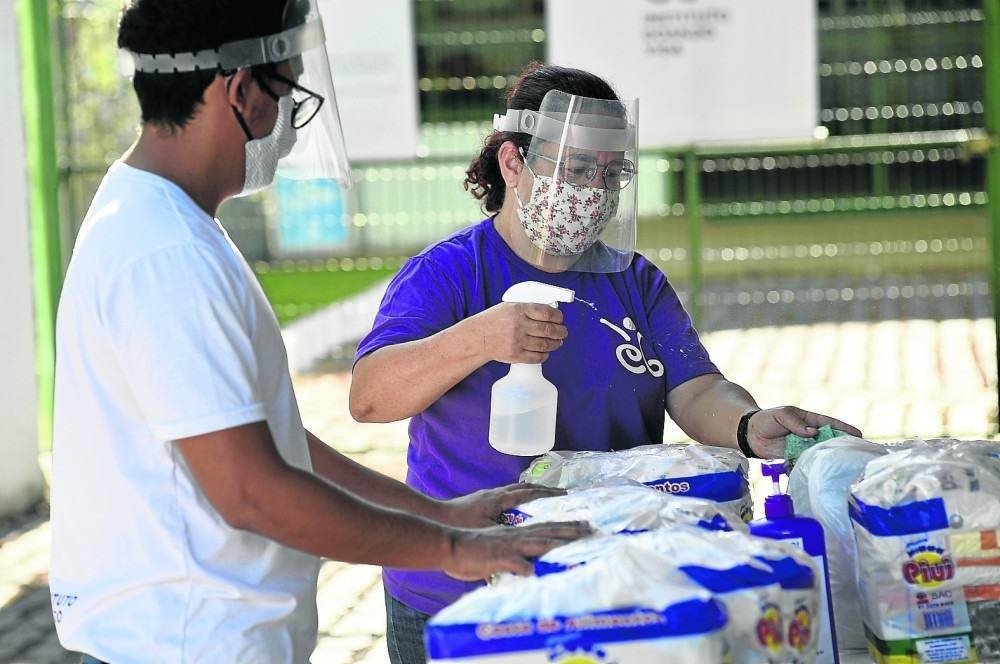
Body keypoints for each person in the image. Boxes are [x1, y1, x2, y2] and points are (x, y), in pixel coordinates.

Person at [48, 5, 590, 663]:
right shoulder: (168, 255)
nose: (289, 121)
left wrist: (441, 514)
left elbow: (270, 441)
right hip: (185, 644)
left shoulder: (149, 218)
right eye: (287, 91)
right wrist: (452, 550)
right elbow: (251, 492)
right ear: (241, 92)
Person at [349, 62, 863, 663]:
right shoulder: (451, 272)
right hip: (463, 595)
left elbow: (695, 387)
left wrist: (749, 425)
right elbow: (370, 398)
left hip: (610, 587)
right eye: (575, 169)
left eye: (611, 172)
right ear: (513, 163)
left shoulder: (633, 281)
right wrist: (478, 339)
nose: (593, 190)